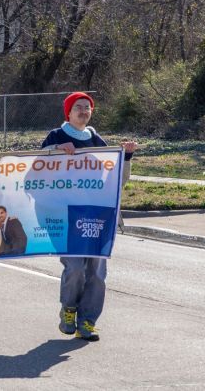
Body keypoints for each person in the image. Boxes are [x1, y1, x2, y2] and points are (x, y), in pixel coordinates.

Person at [42, 91, 138, 342]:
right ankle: (69, 310)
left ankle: (88, 321)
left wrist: (126, 157)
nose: (83, 111)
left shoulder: (97, 142)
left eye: (87, 107)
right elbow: (38, 167)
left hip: (98, 216)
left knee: (96, 271)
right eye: (78, 107)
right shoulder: (56, 136)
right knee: (75, 268)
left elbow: (117, 181)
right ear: (69, 112)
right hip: (66, 215)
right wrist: (56, 150)